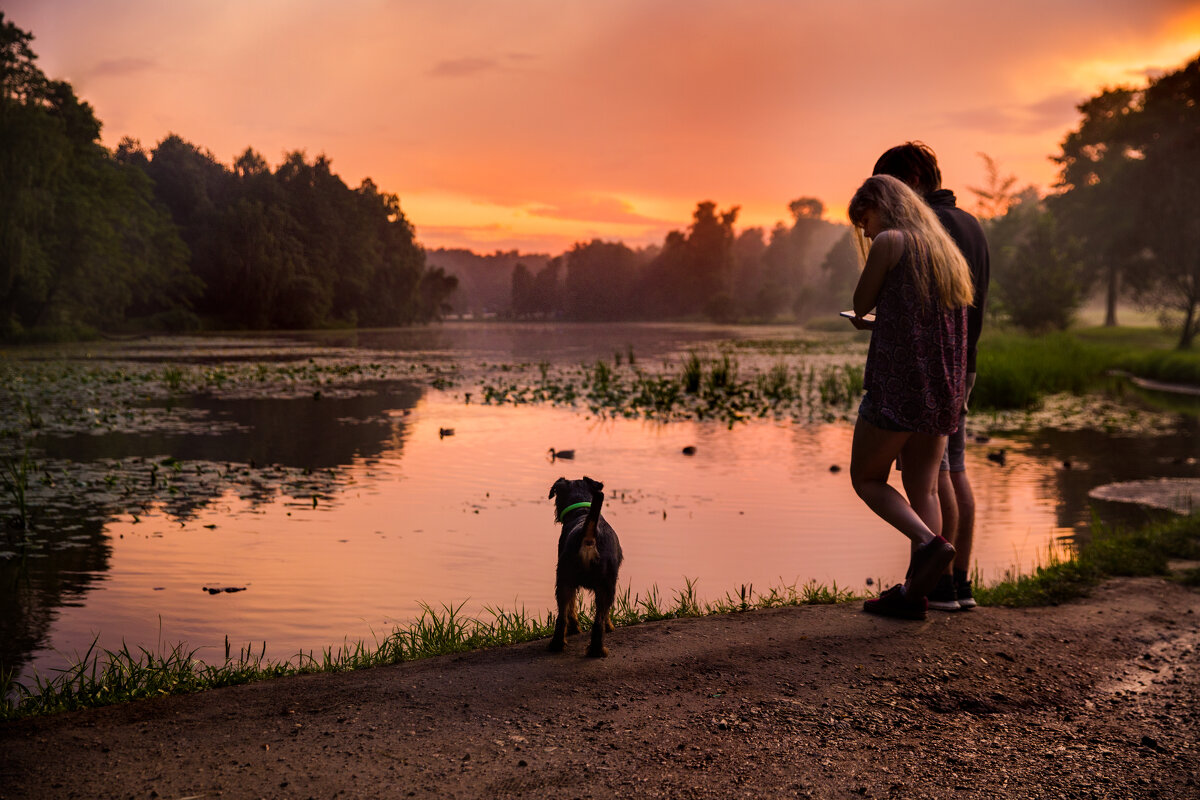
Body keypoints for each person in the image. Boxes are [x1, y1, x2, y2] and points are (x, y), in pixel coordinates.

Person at [845, 175, 973, 620]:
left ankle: (929, 543)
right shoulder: (944, 250)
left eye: (864, 219)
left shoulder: (891, 241)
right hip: (941, 390)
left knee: (866, 479)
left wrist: (866, 312)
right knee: (924, 490)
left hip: (898, 385)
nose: (865, 231)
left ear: (881, 205)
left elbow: (861, 304)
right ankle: (917, 594)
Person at [872, 143, 990, 611]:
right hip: (965, 363)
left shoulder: (928, 229)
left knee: (928, 474)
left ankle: (930, 584)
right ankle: (959, 584)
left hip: (930, 366)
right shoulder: (972, 226)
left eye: (893, 188)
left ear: (915, 181)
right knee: (954, 469)